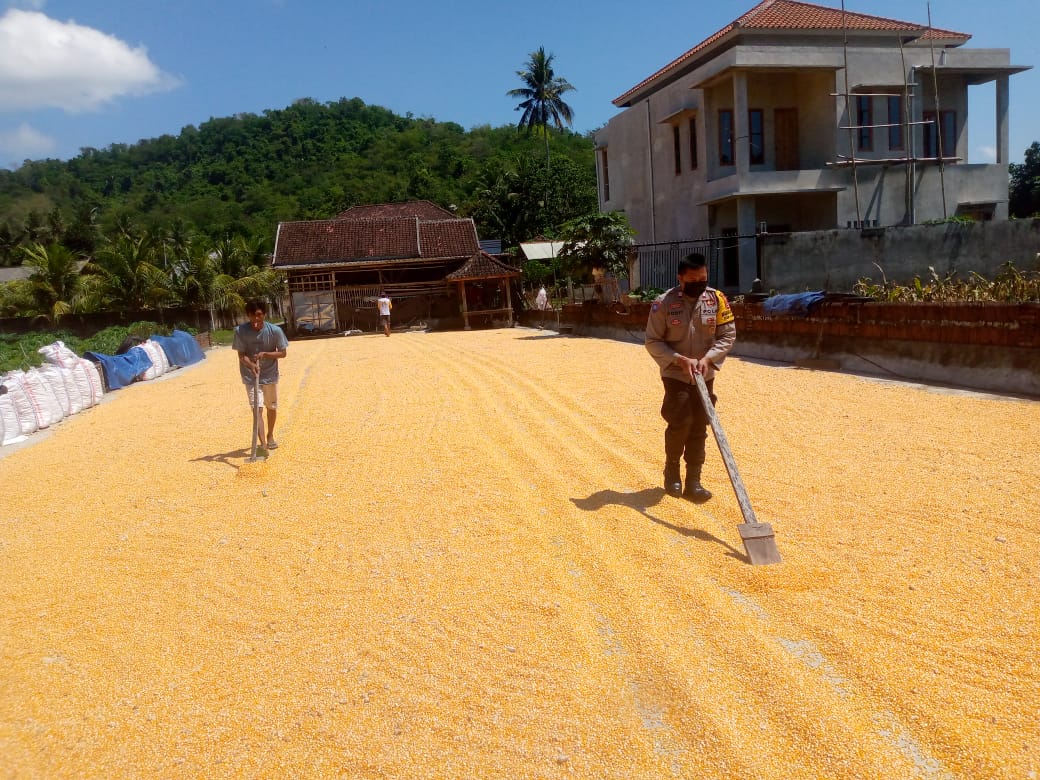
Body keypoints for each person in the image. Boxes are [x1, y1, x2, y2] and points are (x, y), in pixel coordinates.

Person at [645, 253, 736, 502]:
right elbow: (652, 341)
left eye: (703, 279)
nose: (699, 284)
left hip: (705, 373)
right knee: (681, 420)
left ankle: (694, 481)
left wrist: (708, 359)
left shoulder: (716, 300)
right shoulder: (664, 303)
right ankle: (672, 470)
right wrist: (679, 359)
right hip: (676, 373)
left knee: (699, 424)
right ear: (681, 278)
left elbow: (727, 335)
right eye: (693, 280)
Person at [232, 300, 288, 459]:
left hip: (270, 375)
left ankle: (270, 435)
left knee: (271, 407)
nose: (255, 319)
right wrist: (251, 365)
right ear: (248, 315)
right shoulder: (240, 331)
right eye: (252, 316)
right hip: (251, 376)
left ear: (264, 314)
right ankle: (263, 445)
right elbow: (241, 355)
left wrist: (266, 354)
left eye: (259, 315)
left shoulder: (275, 331)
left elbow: (283, 353)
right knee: (257, 410)